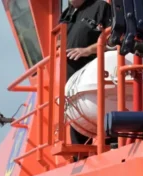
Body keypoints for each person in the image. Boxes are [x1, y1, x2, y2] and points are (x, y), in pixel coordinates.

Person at [62, 0, 113, 145]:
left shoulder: (101, 7)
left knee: (108, 130)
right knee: (77, 136)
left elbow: (114, 40)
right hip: (72, 91)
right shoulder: (67, 14)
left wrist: (87, 50)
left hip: (94, 89)